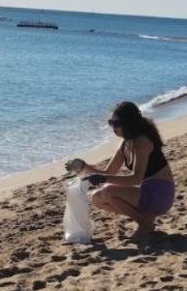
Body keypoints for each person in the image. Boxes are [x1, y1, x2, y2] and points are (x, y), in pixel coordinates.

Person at [71, 102, 175, 239]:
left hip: (160, 194)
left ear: (129, 123)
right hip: (146, 193)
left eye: (116, 123)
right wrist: (83, 166)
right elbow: (109, 172)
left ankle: (145, 224)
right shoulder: (125, 143)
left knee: (107, 190)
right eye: (110, 122)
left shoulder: (142, 141)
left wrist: (104, 179)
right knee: (96, 197)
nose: (113, 127)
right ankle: (145, 220)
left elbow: (136, 178)